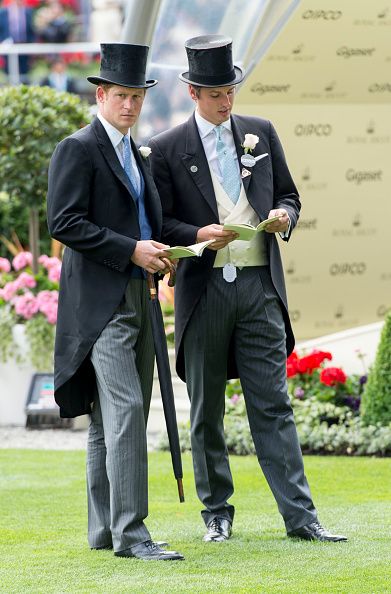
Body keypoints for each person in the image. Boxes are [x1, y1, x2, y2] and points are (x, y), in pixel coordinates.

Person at [149, 35, 347, 544]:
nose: (226, 100)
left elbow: (289, 194)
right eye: (215, 93)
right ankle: (216, 513)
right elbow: (160, 222)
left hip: (260, 287)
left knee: (274, 406)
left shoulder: (260, 132)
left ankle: (301, 519)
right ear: (193, 92)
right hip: (204, 289)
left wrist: (285, 216)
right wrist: (195, 235)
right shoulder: (168, 148)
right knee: (207, 411)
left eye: (230, 90)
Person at [47, 43, 184, 561]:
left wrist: (171, 247)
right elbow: (65, 224)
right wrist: (133, 250)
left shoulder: (136, 149)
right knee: (126, 410)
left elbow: (146, 223)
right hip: (100, 304)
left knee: (111, 420)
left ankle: (105, 531)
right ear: (101, 95)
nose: (129, 105)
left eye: (136, 96)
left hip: (141, 292)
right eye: (120, 95)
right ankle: (133, 535)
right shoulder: (77, 148)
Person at [0, 0, 35, 82]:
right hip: (8, 47)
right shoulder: (3, 13)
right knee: (9, 71)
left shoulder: (28, 12)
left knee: (24, 72)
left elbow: (32, 31)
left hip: (24, 47)